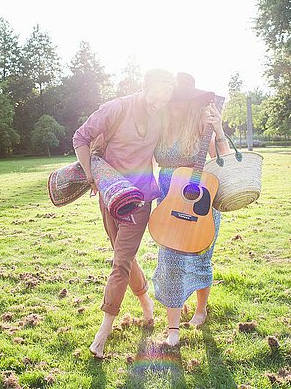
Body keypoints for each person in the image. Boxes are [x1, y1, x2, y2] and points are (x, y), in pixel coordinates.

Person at [72, 68, 175, 358]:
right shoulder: (117, 108)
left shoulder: (162, 115)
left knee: (120, 262)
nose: (160, 104)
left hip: (140, 199)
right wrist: (91, 175)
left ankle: (102, 334)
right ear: (145, 88)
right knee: (124, 256)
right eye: (156, 96)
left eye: (166, 98)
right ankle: (147, 306)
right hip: (109, 195)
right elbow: (80, 137)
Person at [152, 72, 231, 346]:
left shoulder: (201, 125)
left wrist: (219, 130)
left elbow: (223, 161)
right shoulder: (158, 126)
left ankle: (200, 308)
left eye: (181, 100)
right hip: (169, 197)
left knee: (200, 257)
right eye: (172, 99)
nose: (175, 104)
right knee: (170, 261)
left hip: (200, 200)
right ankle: (172, 327)